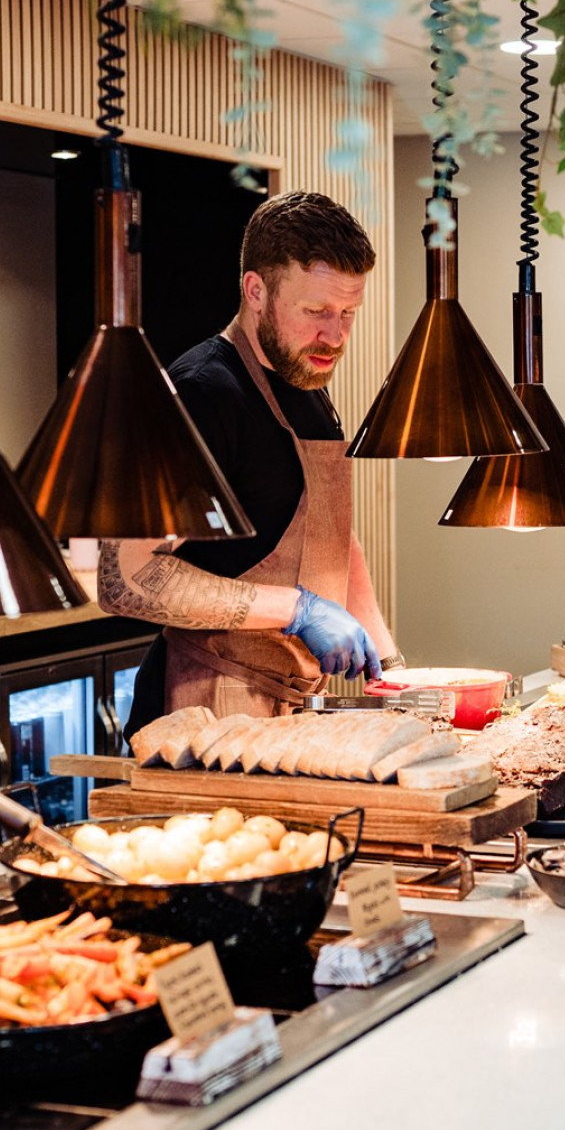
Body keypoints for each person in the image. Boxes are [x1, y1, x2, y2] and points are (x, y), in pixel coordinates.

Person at [101, 191, 401, 738]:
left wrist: (392, 668)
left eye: (347, 314)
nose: (334, 337)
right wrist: (296, 609)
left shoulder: (308, 384)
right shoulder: (201, 392)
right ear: (256, 291)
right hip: (203, 712)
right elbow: (124, 578)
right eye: (316, 312)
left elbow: (333, 536)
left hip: (289, 707)